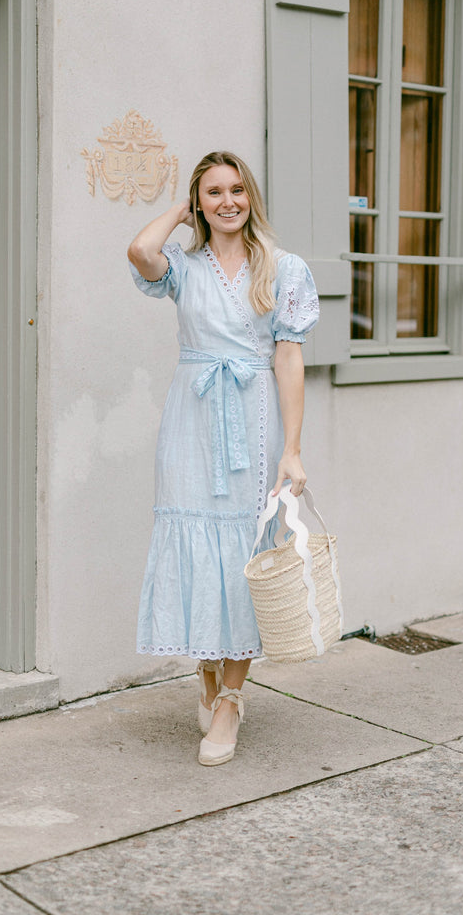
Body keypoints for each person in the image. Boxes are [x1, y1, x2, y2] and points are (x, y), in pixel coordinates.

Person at [127, 150, 319, 766]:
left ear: (252, 196)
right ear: (198, 203)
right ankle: (207, 670)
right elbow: (139, 252)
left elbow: (288, 359)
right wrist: (181, 212)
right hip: (191, 420)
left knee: (244, 553)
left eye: (237, 190)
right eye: (213, 193)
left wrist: (291, 449)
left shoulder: (282, 268)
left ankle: (231, 699)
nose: (228, 201)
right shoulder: (183, 266)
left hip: (254, 416)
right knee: (197, 548)